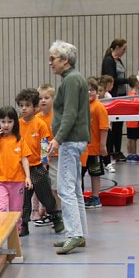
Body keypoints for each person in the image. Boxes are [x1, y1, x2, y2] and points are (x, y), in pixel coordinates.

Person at [48, 40, 90, 255]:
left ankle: (74, 234)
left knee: (65, 190)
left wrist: (58, 139)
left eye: (53, 59)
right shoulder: (73, 78)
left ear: (65, 60)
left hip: (71, 141)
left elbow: (70, 113)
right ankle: (79, 233)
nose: (50, 63)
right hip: (76, 140)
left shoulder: (71, 80)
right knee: (75, 190)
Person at [15, 88, 61, 237]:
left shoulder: (40, 124)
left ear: (35, 107)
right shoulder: (17, 125)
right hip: (23, 169)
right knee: (24, 200)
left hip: (37, 167)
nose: (23, 108)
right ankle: (24, 225)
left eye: (27, 105)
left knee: (46, 197)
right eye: (21, 105)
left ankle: (56, 218)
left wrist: (44, 162)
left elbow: (44, 144)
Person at [0, 106, 31, 212]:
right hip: (1, 181)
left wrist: (28, 177)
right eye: (3, 121)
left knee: (16, 211)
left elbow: (24, 159)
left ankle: (18, 224)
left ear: (15, 122)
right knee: (1, 208)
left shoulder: (20, 140)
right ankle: (0, 223)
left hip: (17, 181)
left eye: (9, 122)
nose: (6, 125)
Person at [33, 83, 64, 230]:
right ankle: (47, 212)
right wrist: (43, 159)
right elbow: (41, 141)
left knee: (55, 187)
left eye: (47, 98)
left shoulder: (57, 116)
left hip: (56, 157)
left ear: (53, 99)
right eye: (40, 98)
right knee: (43, 187)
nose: (43, 101)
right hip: (41, 159)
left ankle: (58, 214)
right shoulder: (36, 118)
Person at [81, 78, 109, 209]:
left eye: (92, 90)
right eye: (86, 90)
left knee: (95, 173)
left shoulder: (99, 107)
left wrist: (102, 145)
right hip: (83, 149)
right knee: (80, 173)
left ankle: (96, 197)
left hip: (95, 148)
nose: (89, 92)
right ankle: (79, 197)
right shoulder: (82, 107)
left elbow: (104, 128)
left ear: (97, 92)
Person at [101, 38, 128, 163]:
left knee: (119, 124)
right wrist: (127, 80)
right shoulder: (109, 61)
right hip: (113, 95)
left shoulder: (118, 60)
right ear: (117, 48)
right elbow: (111, 79)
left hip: (121, 94)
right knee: (112, 124)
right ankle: (110, 150)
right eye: (123, 49)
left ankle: (117, 150)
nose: (124, 51)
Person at [124, 75, 139, 162]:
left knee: (130, 138)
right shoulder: (134, 96)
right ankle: (134, 155)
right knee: (133, 139)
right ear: (136, 83)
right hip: (134, 120)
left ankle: (130, 154)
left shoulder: (129, 95)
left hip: (129, 120)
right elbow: (137, 108)